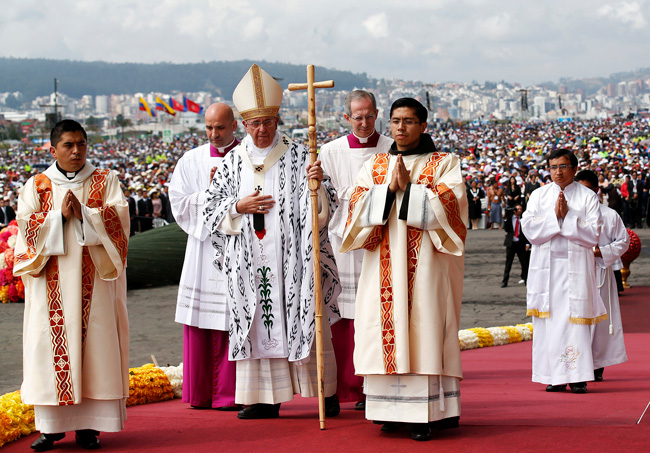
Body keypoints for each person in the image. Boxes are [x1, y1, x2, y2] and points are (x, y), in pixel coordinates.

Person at [203, 64, 341, 420]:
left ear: (279, 120)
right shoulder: (233, 161)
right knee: (256, 318)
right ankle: (264, 398)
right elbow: (211, 208)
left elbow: (326, 208)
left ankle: (324, 393)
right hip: (250, 259)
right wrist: (238, 205)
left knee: (305, 314)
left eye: (268, 122)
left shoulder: (300, 156)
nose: (261, 130)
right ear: (243, 125)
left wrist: (317, 185)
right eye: (254, 123)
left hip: (294, 259)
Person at [341, 98, 466, 441]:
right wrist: (388, 191)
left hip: (426, 268)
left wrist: (411, 190)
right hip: (382, 265)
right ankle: (389, 410)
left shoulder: (444, 162)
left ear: (423, 125)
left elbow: (453, 207)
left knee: (424, 328)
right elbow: (356, 207)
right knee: (384, 330)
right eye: (396, 121)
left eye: (409, 121)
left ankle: (428, 414)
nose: (400, 128)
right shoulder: (376, 165)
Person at [13, 120, 129, 451]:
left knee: (96, 350)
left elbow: (119, 222)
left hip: (95, 287)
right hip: (51, 286)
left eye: (81, 143)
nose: (76, 150)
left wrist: (86, 216)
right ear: (53, 150)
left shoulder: (105, 181)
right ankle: (51, 428)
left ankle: (89, 427)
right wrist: (58, 219)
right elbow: (24, 229)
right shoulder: (36, 186)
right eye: (68, 145)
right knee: (47, 351)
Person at [319, 90, 393, 410]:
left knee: (375, 313)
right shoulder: (331, 151)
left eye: (368, 115)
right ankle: (339, 388)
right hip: (342, 242)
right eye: (356, 117)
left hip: (380, 239)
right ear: (346, 118)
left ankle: (370, 387)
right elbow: (322, 197)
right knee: (340, 315)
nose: (363, 122)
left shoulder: (392, 148)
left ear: (376, 113)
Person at [169, 103, 240, 411]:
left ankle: (232, 393)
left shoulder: (249, 156)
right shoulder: (192, 159)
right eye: (209, 128)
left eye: (220, 128)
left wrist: (228, 197)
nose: (213, 134)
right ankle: (200, 393)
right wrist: (209, 196)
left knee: (234, 317)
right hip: (203, 248)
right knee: (202, 320)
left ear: (234, 125)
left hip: (240, 247)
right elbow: (179, 203)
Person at [521, 148, 605, 394]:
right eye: (553, 167)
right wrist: (555, 219)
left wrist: (567, 218)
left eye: (563, 166)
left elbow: (593, 235)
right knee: (549, 322)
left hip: (575, 268)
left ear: (574, 168)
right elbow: (529, 229)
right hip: (546, 269)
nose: (557, 172)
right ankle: (554, 376)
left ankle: (578, 376)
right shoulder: (538, 195)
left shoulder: (587, 197)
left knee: (574, 322)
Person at [574, 170, 629, 382]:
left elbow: (622, 241)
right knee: (576, 319)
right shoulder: (569, 214)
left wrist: (600, 252)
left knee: (599, 321)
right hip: (574, 273)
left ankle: (596, 364)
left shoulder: (609, 215)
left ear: (597, 190)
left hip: (599, 272)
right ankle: (575, 363)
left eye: (588, 189)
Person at [501, 204, 530, 287]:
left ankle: (525, 279)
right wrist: (505, 219)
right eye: (518, 209)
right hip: (511, 243)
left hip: (521, 243)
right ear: (514, 211)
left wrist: (527, 243)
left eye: (521, 209)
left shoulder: (523, 219)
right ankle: (505, 281)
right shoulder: (510, 218)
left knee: (524, 263)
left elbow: (527, 232)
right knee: (508, 263)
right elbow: (506, 229)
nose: (520, 210)